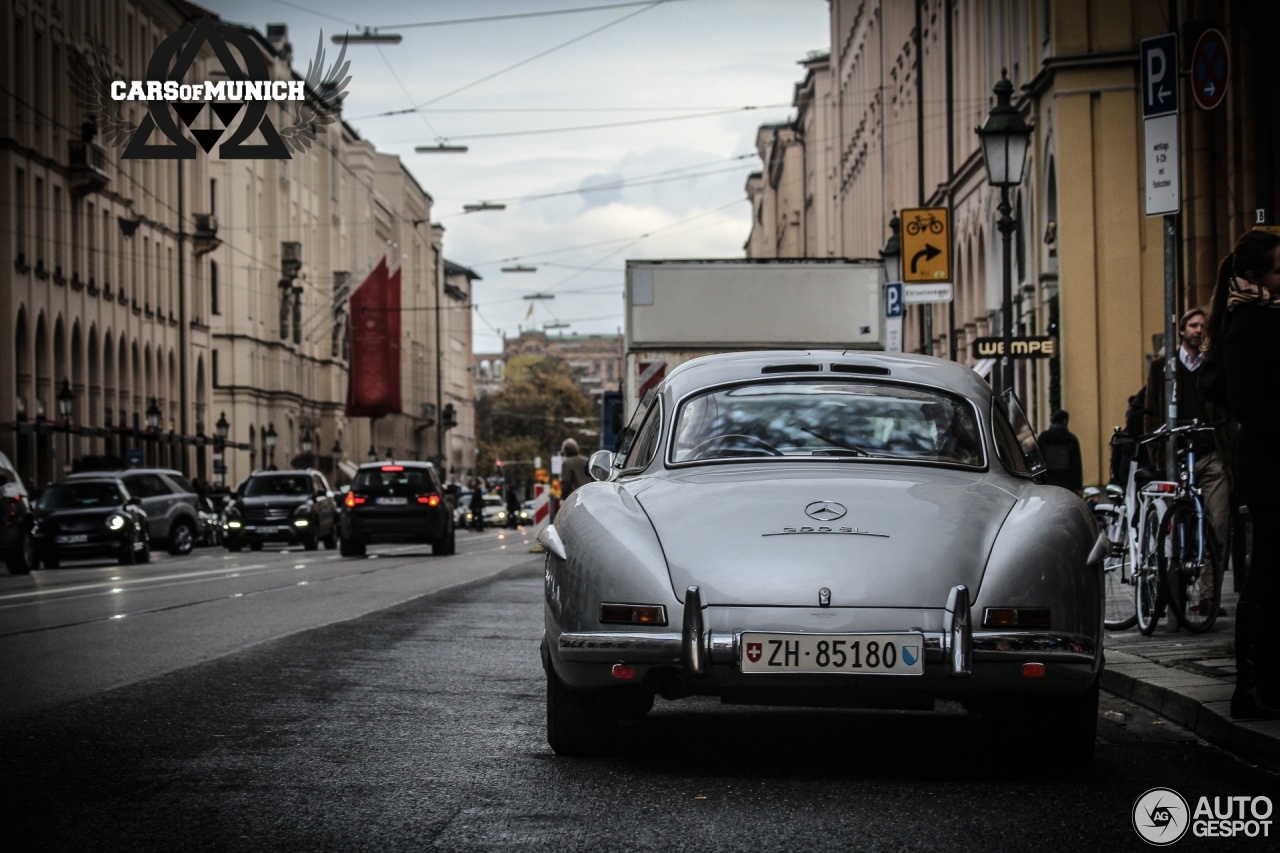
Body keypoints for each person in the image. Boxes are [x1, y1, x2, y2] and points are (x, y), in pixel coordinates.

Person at [1202, 228, 1280, 719]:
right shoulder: (1247, 321)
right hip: (1271, 466)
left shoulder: (1266, 314)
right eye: (1279, 269)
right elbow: (1251, 404)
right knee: (1268, 575)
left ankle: (1265, 682)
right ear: (1253, 276)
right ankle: (1249, 686)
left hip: (1270, 462)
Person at [1144, 307, 1232, 618]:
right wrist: (1158, 453)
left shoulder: (1213, 366)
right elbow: (1152, 411)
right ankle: (1171, 590)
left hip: (1210, 454)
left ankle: (1208, 597)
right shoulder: (1161, 368)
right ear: (1181, 331)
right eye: (1193, 325)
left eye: (1202, 327)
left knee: (1218, 523)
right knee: (1173, 525)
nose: (1198, 330)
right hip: (1176, 456)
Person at [1036, 410, 1083, 494]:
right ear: (1065, 421)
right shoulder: (1070, 439)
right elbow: (1076, 464)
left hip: (1048, 481)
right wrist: (1078, 486)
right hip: (1066, 482)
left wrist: (1038, 479)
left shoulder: (1043, 437)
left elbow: (1039, 459)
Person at [559, 438, 589, 503]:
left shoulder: (567, 463)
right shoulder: (586, 460)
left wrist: (563, 498)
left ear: (565, 450)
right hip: (589, 495)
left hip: (575, 498)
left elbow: (566, 483)